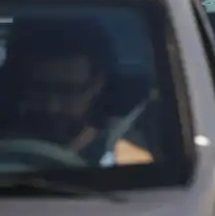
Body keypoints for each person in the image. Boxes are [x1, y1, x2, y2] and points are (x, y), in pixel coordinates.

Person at [0, 18, 153, 166]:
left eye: (68, 91)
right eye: (39, 89)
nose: (53, 106)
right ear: (18, 84)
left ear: (97, 84)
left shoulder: (126, 154)